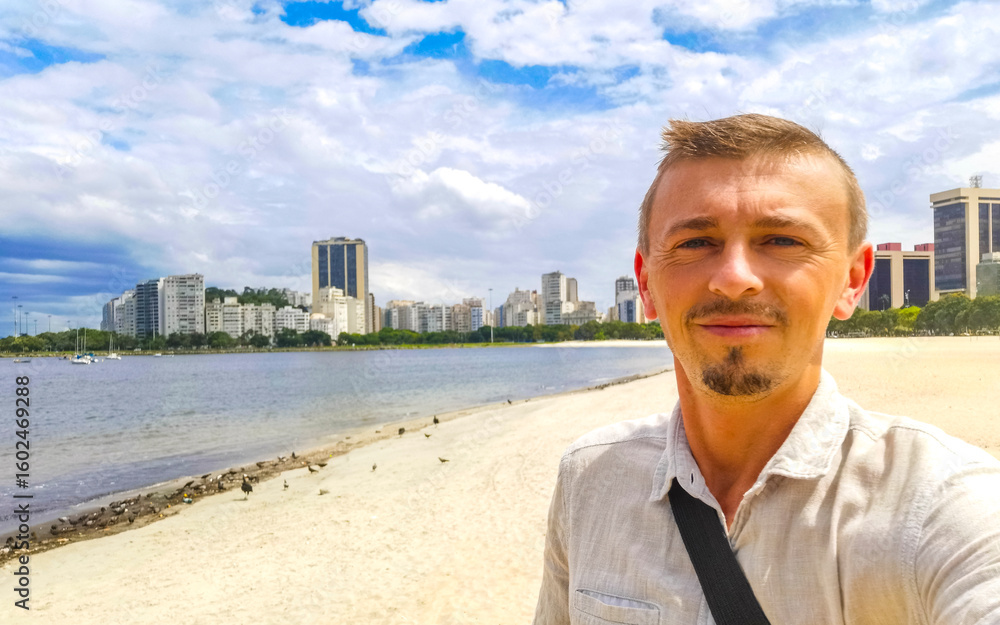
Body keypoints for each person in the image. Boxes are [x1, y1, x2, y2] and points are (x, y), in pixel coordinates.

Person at [531, 113, 1000, 624]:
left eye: (782, 240)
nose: (734, 278)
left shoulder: (940, 501)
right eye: (695, 242)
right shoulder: (591, 478)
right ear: (646, 285)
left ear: (852, 280)